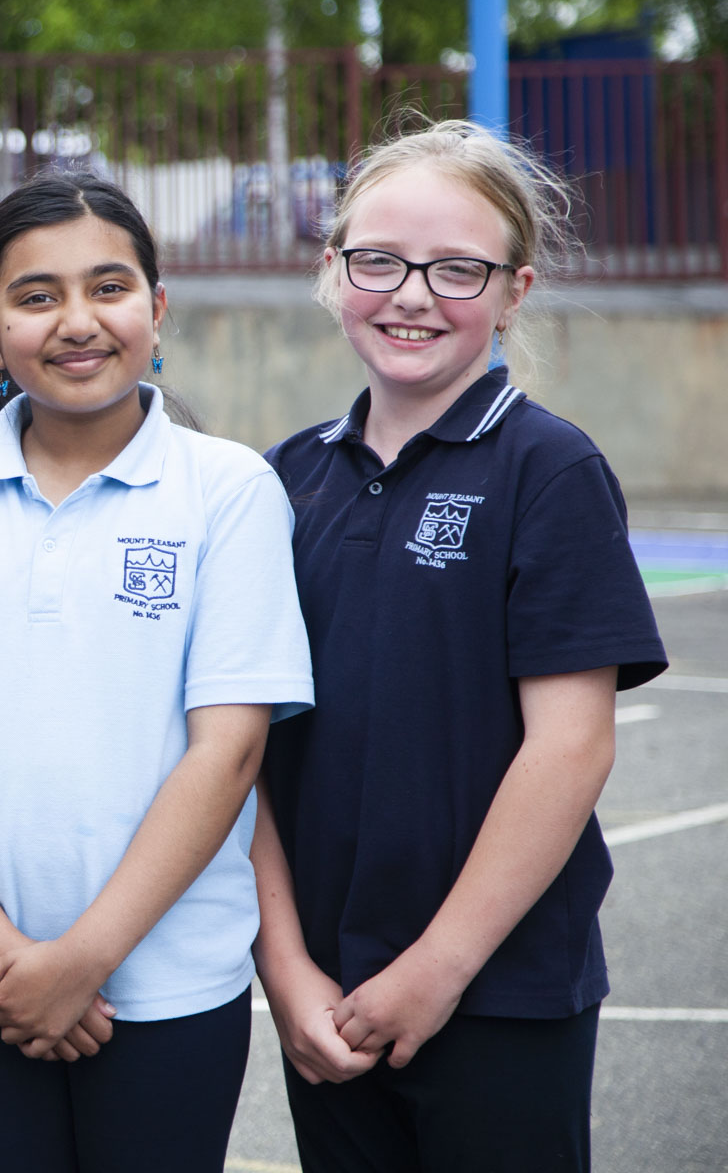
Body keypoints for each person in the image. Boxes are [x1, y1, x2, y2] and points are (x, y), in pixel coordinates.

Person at [0, 169, 314, 1173]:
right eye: (34, 296)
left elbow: (227, 752)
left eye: (107, 286)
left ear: (156, 307)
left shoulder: (227, 491)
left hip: (167, 980)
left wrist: (77, 962)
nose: (75, 320)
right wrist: (5, 962)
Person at [254, 119, 668, 1173]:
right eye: (377, 259)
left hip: (495, 988)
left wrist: (438, 965)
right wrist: (284, 965)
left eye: (455, 269)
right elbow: (237, 747)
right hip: (325, 996)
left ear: (513, 288)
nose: (409, 293)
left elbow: (567, 746)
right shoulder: (281, 480)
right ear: (331, 268)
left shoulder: (548, 468)